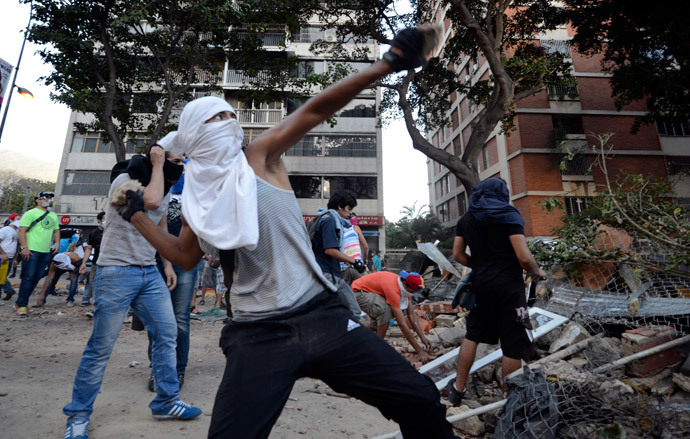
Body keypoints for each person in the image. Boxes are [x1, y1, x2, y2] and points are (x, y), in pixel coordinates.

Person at [114, 25, 454, 439]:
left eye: (229, 116)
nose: (227, 124)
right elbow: (185, 257)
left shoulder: (258, 158)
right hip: (258, 333)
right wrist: (138, 218)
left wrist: (388, 65)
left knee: (419, 398)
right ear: (192, 136)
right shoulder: (197, 203)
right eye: (214, 119)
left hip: (320, 315)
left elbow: (313, 110)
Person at [63, 146, 201, 439]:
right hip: (116, 272)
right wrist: (160, 163)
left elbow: (161, 222)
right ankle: (78, 415)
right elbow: (149, 203)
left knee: (167, 335)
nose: (179, 167)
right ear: (154, 158)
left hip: (149, 273)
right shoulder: (124, 181)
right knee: (101, 347)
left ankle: (166, 401)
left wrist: (167, 264)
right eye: (174, 161)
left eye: (180, 163)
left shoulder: (162, 188)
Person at [443, 177, 547, 407]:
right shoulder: (509, 214)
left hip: (481, 286)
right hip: (509, 287)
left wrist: (481, 265)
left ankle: (458, 390)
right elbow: (523, 257)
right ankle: (510, 402)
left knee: (473, 335)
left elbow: (459, 255)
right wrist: (538, 271)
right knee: (512, 343)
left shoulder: (467, 218)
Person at [146, 171, 200, 392]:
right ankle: (158, 367)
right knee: (156, 318)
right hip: (155, 261)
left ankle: (178, 369)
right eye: (175, 164)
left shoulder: (197, 198)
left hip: (185, 262)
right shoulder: (156, 194)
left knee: (180, 318)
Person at [351, 270, 434, 363]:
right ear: (404, 283)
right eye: (411, 291)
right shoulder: (394, 288)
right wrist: (419, 350)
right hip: (359, 292)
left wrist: (423, 338)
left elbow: (411, 314)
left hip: (371, 292)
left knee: (377, 325)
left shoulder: (406, 288)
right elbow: (402, 323)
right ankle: (378, 349)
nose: (411, 293)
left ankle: (352, 335)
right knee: (386, 311)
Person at [312, 190, 365, 319]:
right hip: (328, 274)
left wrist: (345, 259)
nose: (351, 212)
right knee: (353, 312)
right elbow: (330, 250)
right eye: (349, 208)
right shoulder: (329, 220)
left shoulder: (324, 218)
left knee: (335, 314)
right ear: (340, 206)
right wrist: (354, 261)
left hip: (327, 272)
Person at [15, 192, 60, 316]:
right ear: (37, 200)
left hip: (45, 251)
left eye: (51, 198)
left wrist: (57, 243)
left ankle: (21, 302)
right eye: (46, 198)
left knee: (36, 278)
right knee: (28, 277)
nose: (49, 200)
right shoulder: (30, 213)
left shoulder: (53, 215)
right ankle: (22, 305)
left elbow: (56, 231)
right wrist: (24, 247)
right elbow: (21, 231)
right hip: (31, 250)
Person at [79, 212, 106, 309]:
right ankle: (94, 306)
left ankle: (95, 308)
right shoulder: (93, 233)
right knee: (93, 285)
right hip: (96, 263)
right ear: (99, 220)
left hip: (109, 264)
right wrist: (83, 263)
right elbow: (89, 248)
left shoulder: (111, 232)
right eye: (104, 219)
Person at [340, 214, 369, 285]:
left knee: (345, 292)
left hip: (343, 267)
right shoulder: (356, 228)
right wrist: (365, 260)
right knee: (365, 287)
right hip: (357, 266)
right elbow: (366, 247)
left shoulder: (339, 230)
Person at [0, 215, 21, 300]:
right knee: (1, 277)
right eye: (18, 219)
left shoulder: (16, 232)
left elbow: (15, 246)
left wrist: (15, 259)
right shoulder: (4, 230)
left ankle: (8, 290)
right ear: (11, 220)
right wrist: (3, 254)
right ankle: (8, 290)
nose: (19, 221)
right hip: (2, 258)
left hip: (10, 258)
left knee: (3, 277)